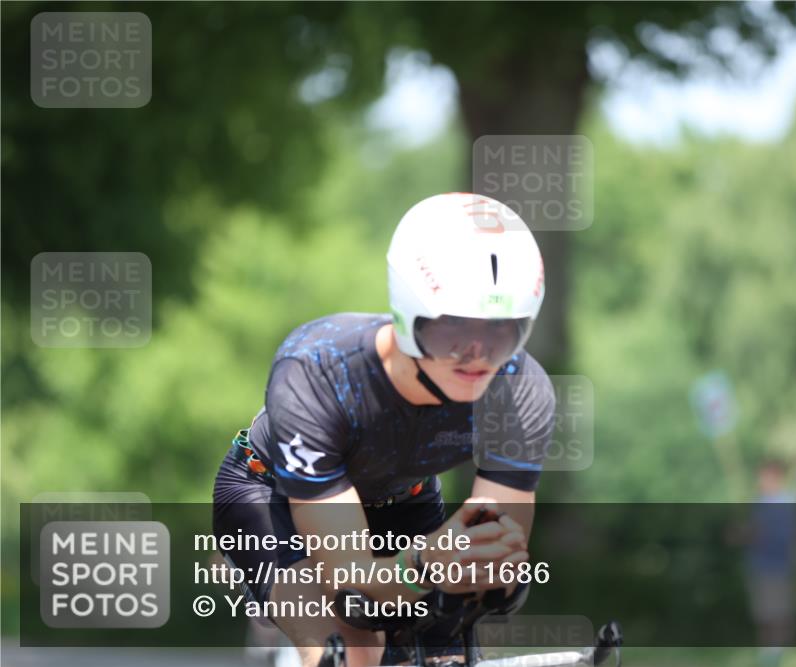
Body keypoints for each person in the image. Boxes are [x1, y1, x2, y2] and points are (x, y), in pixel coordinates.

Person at [212, 193, 556, 667]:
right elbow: (349, 580)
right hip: (269, 495)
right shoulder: (314, 371)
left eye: (502, 332)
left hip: (404, 497)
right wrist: (426, 568)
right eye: (454, 330)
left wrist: (485, 578)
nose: (476, 355)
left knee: (447, 652)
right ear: (407, 315)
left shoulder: (520, 389)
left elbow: (499, 564)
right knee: (351, 648)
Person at [744, 458, 796, 660]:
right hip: (759, 566)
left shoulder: (785, 502)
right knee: (763, 614)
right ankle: (767, 655)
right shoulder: (759, 503)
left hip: (778, 567)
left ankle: (781, 654)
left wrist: (751, 534)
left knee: (779, 613)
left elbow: (780, 535)